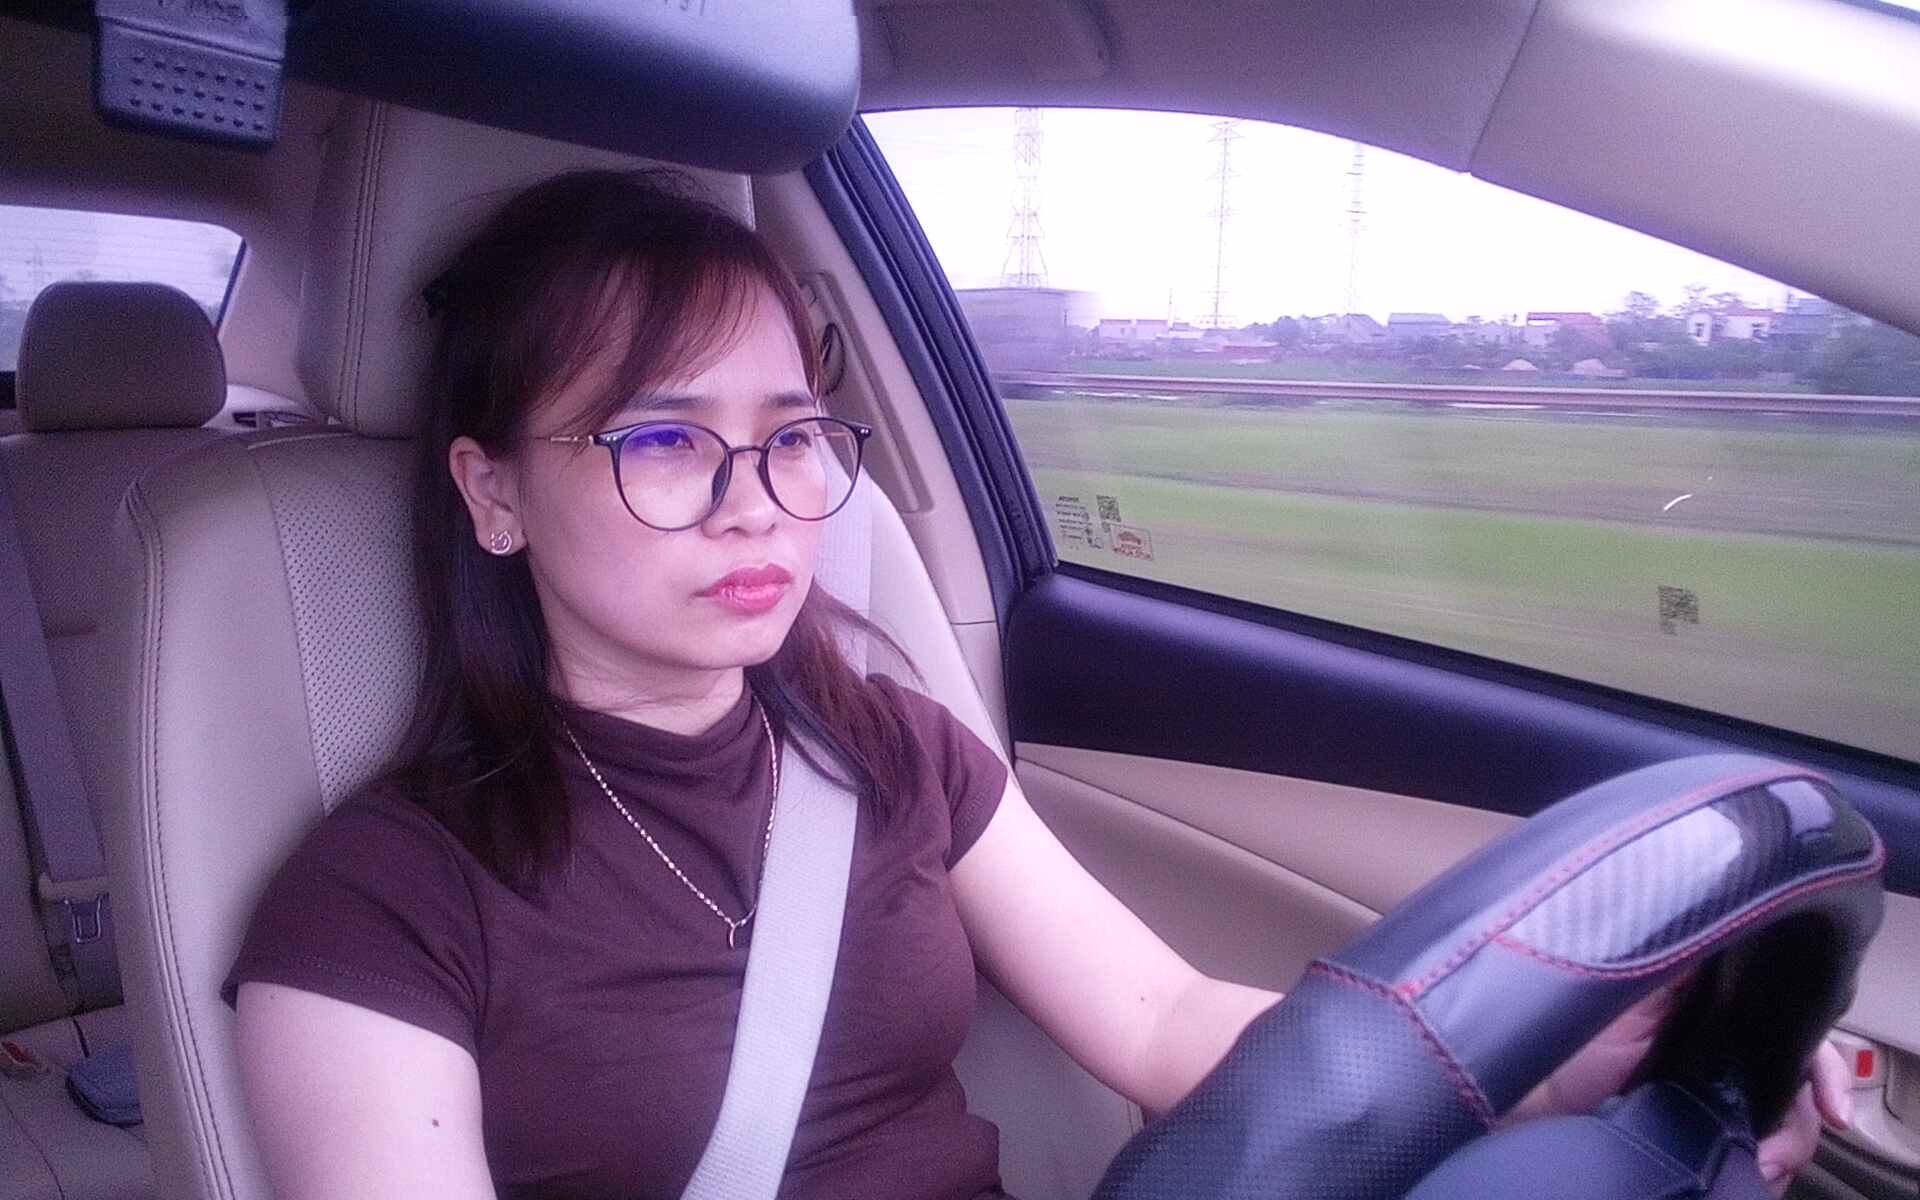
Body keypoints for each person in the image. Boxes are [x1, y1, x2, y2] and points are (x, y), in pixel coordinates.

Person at [225, 169, 1848, 1200]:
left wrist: (1560, 1071)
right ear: (493, 493)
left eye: (791, 437)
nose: (758, 503)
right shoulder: (377, 905)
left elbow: (1158, 1018)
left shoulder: (889, 748)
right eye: (662, 439)